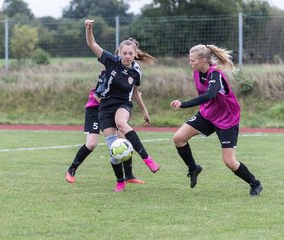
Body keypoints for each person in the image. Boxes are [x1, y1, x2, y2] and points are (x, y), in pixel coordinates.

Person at [170, 44, 263, 196]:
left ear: (204, 60)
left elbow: (209, 95)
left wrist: (183, 104)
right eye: (190, 60)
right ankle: (193, 168)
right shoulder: (196, 73)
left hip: (227, 118)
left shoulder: (215, 74)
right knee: (179, 138)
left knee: (229, 162)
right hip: (208, 114)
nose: (190, 63)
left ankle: (255, 184)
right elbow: (207, 100)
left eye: (193, 60)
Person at [85, 19, 160, 192]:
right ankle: (120, 181)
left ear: (135, 54)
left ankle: (147, 159)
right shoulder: (111, 61)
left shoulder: (136, 71)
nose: (127, 56)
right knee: (114, 148)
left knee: (121, 123)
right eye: (124, 53)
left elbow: (135, 94)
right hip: (104, 107)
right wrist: (89, 28)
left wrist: (145, 112)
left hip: (123, 105)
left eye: (130, 53)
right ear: (119, 53)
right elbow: (92, 43)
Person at [65, 70, 146, 185]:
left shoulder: (130, 74)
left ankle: (128, 175)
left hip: (110, 111)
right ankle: (71, 169)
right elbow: (97, 95)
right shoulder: (108, 72)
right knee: (92, 143)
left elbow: (132, 95)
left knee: (125, 141)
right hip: (95, 109)